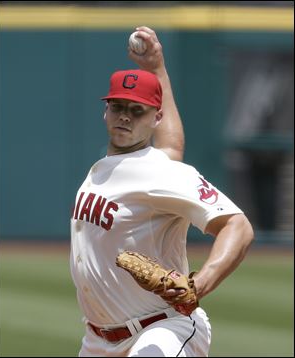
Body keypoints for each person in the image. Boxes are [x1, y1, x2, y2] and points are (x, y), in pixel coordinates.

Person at [70, 26, 254, 357]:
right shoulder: (112, 166)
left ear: (156, 117)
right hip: (98, 341)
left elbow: (237, 226)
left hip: (163, 327)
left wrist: (198, 285)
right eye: (118, 106)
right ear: (105, 111)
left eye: (137, 110)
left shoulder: (161, 173)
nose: (125, 116)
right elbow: (171, 145)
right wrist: (155, 68)